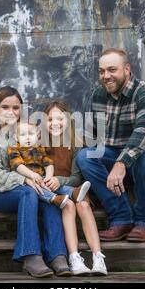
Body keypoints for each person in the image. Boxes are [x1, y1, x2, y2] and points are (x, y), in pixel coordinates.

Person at [76, 48, 145, 242]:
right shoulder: (98, 94)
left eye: (112, 70)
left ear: (127, 69)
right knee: (85, 156)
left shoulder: (144, 91)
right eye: (102, 71)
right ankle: (121, 218)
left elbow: (144, 132)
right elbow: (95, 136)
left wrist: (121, 164)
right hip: (114, 156)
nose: (106, 76)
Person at [0, 87, 70, 278]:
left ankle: (57, 255)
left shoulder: (27, 133)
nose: (11, 112)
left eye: (16, 108)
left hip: (27, 191)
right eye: (5, 107)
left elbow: (41, 162)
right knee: (31, 191)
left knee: (45, 194)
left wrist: (45, 179)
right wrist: (25, 179)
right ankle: (31, 255)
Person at [43, 101, 107, 276]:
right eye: (50, 119)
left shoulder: (76, 143)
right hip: (52, 192)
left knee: (83, 205)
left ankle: (98, 257)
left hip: (74, 188)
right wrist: (52, 182)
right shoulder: (40, 143)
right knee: (68, 206)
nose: (55, 123)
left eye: (60, 118)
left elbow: (77, 177)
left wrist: (59, 180)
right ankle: (74, 258)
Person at [7, 121, 88, 209]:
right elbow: (17, 165)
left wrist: (48, 177)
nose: (27, 138)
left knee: (49, 184)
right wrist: (32, 175)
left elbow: (48, 163)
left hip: (39, 178)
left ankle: (73, 193)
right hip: (23, 181)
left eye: (31, 134)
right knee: (35, 187)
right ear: (16, 137)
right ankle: (54, 198)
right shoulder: (14, 148)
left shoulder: (39, 148)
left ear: (37, 135)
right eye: (22, 135)